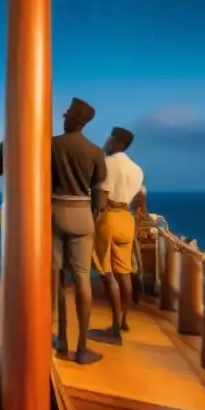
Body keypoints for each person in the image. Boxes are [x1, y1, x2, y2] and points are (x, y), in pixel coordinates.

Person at [50, 97, 107, 365]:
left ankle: (60, 338)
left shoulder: (52, 144)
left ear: (73, 119)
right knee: (83, 278)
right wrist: (94, 216)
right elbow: (99, 194)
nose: (63, 117)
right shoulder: (96, 152)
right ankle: (82, 348)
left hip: (54, 212)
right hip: (82, 214)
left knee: (57, 277)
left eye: (67, 115)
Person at [92, 127, 145, 337]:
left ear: (115, 142)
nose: (107, 141)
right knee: (124, 272)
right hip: (127, 220)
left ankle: (114, 327)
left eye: (109, 139)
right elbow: (138, 199)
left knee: (107, 272)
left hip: (110, 218)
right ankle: (124, 320)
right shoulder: (138, 170)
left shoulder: (107, 163)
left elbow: (102, 200)